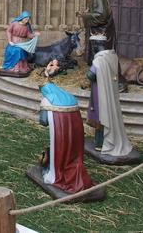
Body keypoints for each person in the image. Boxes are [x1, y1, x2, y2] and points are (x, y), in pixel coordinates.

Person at [38, 60, 94, 194]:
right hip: (75, 129)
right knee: (72, 151)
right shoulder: (69, 97)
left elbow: (44, 121)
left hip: (60, 131)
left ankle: (56, 174)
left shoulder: (47, 100)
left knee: (59, 151)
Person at [86, 35, 134, 158]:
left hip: (100, 92)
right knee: (108, 114)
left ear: (95, 45)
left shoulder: (99, 60)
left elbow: (91, 75)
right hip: (110, 92)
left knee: (100, 116)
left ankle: (101, 142)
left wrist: (89, 71)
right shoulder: (112, 56)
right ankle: (107, 139)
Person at [75, 0, 115, 65]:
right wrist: (86, 13)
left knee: (101, 56)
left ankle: (100, 72)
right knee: (96, 56)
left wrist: (85, 15)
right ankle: (95, 71)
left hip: (103, 33)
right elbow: (94, 12)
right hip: (97, 32)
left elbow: (101, 16)